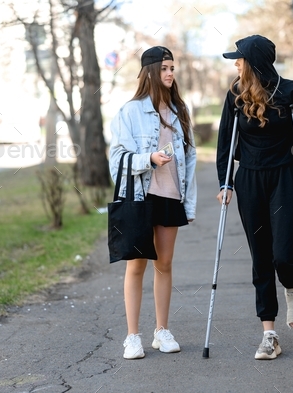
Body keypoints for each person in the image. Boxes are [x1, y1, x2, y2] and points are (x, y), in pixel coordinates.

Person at [216, 35, 293, 360]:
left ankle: (291, 287)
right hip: (249, 180)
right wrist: (225, 182)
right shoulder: (236, 94)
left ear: (254, 61)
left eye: (240, 58)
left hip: (284, 177)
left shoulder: (291, 92)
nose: (236, 63)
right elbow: (224, 143)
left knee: (282, 255)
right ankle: (269, 334)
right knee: (261, 257)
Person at [109, 46, 197, 360]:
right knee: (137, 266)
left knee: (165, 264)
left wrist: (189, 204)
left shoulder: (179, 111)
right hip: (140, 197)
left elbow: (190, 159)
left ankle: (162, 330)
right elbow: (116, 159)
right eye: (164, 68)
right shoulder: (130, 112)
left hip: (171, 195)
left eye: (172, 68)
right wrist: (148, 158)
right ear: (150, 72)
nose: (170, 73)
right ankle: (133, 336)